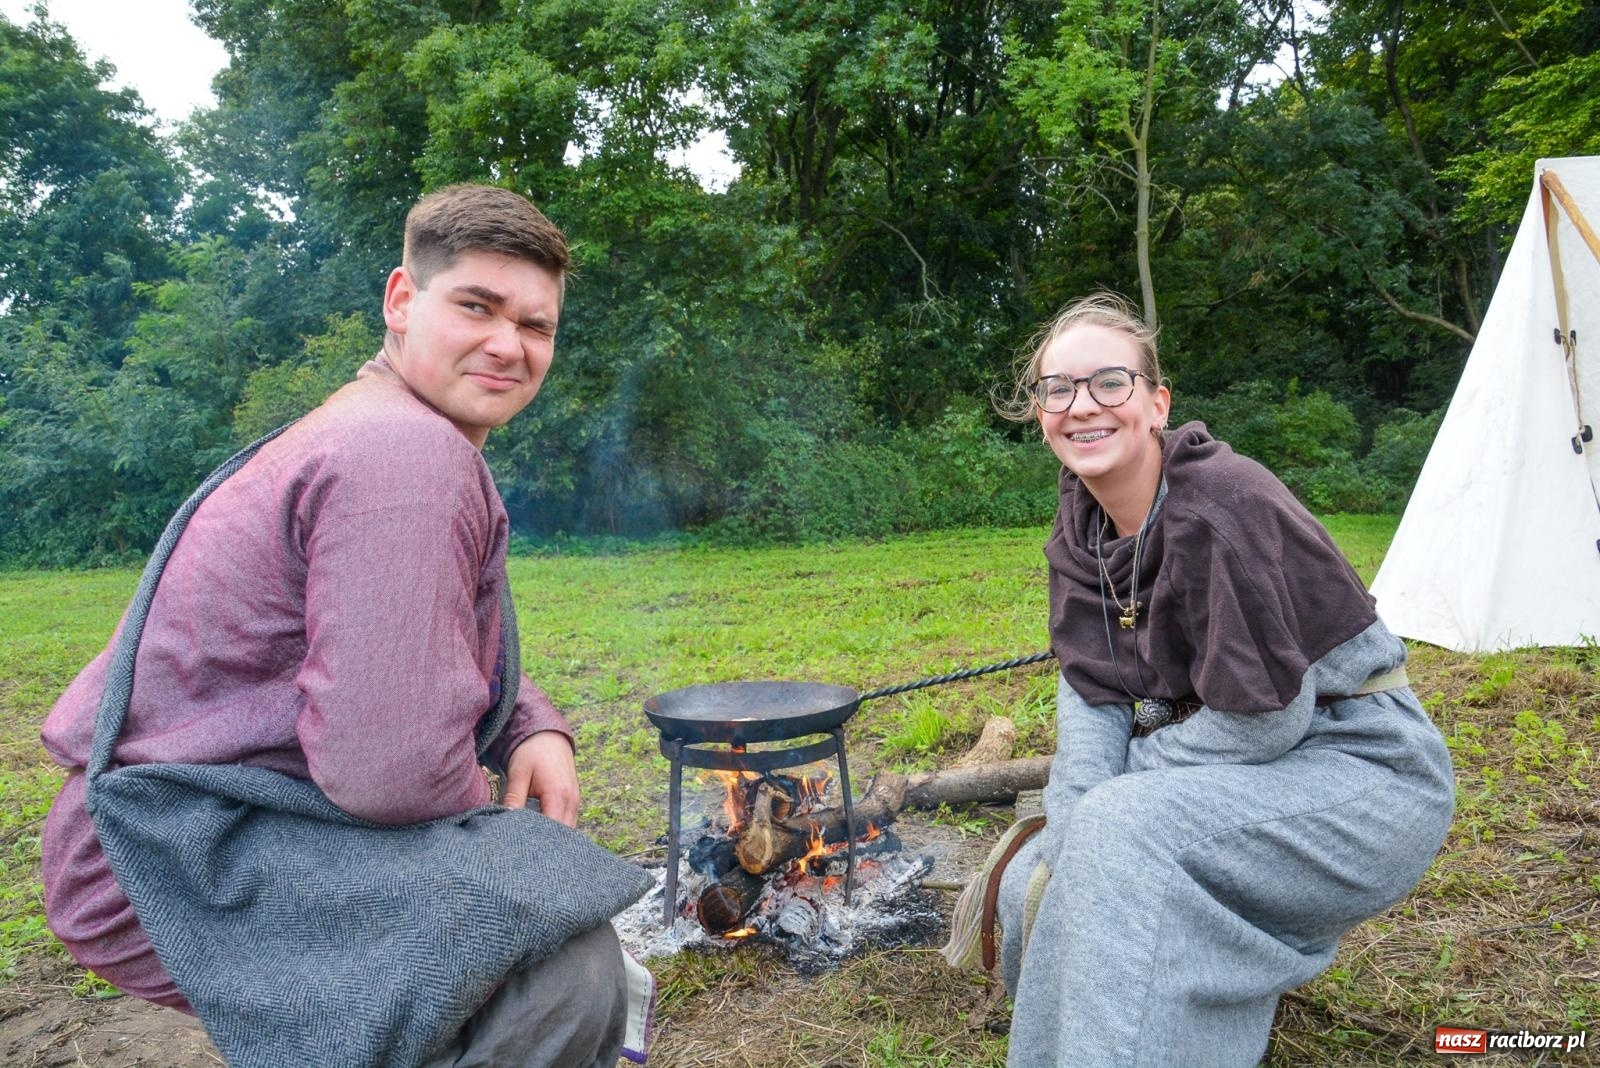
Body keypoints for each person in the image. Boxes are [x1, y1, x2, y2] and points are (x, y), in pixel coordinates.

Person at [40, 183, 648, 1067]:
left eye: (536, 325)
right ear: (402, 301)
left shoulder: (379, 426)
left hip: (177, 826)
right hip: (175, 857)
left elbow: (402, 641)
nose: (508, 345)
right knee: (558, 963)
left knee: (534, 921)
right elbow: (390, 774)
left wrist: (529, 722)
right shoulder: (405, 453)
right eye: (476, 306)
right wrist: (511, 863)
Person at [988, 293, 1455, 1067]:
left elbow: (1263, 721)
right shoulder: (1080, 529)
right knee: (1054, 865)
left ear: (1156, 402)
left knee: (1120, 830)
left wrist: (1113, 803)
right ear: (1040, 411)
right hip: (1244, 773)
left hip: (1363, 772)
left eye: (1110, 382)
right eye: (1058, 389)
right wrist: (1073, 826)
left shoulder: (1221, 505)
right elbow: (1093, 694)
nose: (1081, 406)